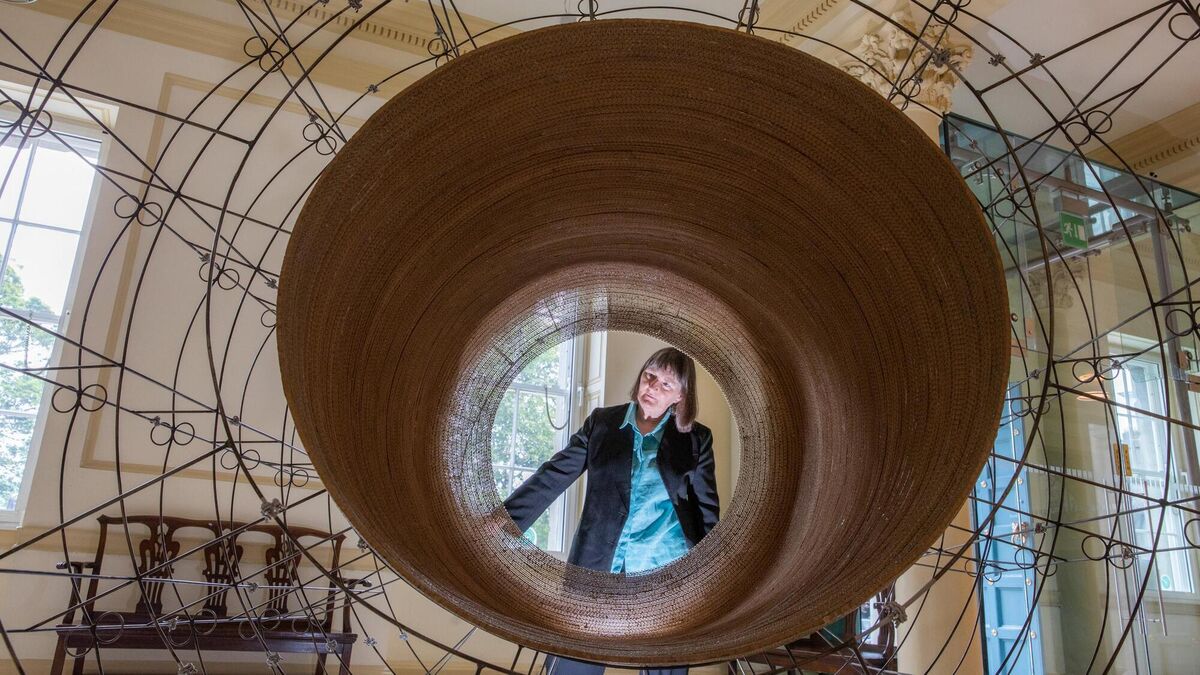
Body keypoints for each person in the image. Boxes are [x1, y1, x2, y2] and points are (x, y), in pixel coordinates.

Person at [503, 347, 720, 675]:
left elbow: (707, 511)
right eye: (650, 376)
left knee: (667, 669)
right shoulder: (602, 423)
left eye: (666, 384)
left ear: (680, 396)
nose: (652, 387)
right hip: (597, 566)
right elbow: (553, 474)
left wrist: (717, 575)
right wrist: (506, 520)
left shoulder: (697, 439)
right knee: (573, 666)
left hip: (668, 575)